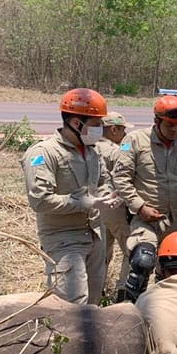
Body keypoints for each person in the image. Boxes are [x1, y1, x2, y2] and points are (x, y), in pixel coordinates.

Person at [22, 88, 121, 305]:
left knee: (92, 304)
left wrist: (108, 197)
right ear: (77, 123)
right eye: (95, 125)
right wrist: (84, 202)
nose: (100, 130)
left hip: (95, 235)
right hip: (63, 239)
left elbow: (103, 182)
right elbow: (40, 200)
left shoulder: (92, 151)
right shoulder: (43, 153)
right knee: (70, 307)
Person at [112, 95, 177, 301]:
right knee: (142, 261)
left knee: (174, 273)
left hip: (176, 220)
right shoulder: (135, 141)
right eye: (170, 125)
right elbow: (121, 178)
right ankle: (129, 310)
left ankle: (163, 313)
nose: (175, 130)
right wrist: (140, 207)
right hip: (146, 219)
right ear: (157, 121)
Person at [94, 112, 134, 301]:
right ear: (114, 129)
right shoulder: (115, 151)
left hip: (94, 207)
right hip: (114, 206)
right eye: (123, 129)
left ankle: (97, 289)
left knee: (102, 252)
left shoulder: (91, 147)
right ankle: (123, 290)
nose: (125, 133)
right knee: (131, 249)